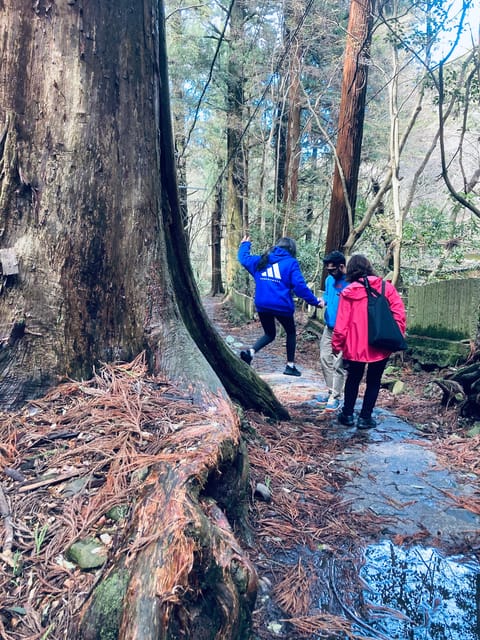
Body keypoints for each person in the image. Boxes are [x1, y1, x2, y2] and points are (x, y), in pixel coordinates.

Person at [331, 254, 406, 429]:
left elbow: (341, 324)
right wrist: (396, 335)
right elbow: (399, 314)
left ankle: (347, 414)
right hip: (381, 342)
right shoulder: (386, 288)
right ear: (369, 267)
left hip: (355, 345)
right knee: (374, 380)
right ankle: (365, 417)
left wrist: (337, 344)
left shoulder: (348, 292)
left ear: (350, 270)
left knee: (353, 378)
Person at [238, 235, 322, 376]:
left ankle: (250, 352)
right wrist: (315, 301)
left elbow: (244, 259)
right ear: (291, 249)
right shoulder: (291, 263)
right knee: (290, 332)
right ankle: (290, 366)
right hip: (281, 306)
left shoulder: (262, 260)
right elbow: (300, 287)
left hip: (262, 304)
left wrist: (244, 245)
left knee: (269, 334)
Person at [317, 250, 349, 412]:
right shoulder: (329, 280)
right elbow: (329, 297)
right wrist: (322, 301)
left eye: (333, 270)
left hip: (344, 330)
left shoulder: (351, 282)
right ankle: (331, 391)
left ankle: (336, 397)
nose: (330, 273)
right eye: (328, 270)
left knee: (339, 364)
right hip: (329, 327)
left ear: (342, 266)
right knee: (324, 358)